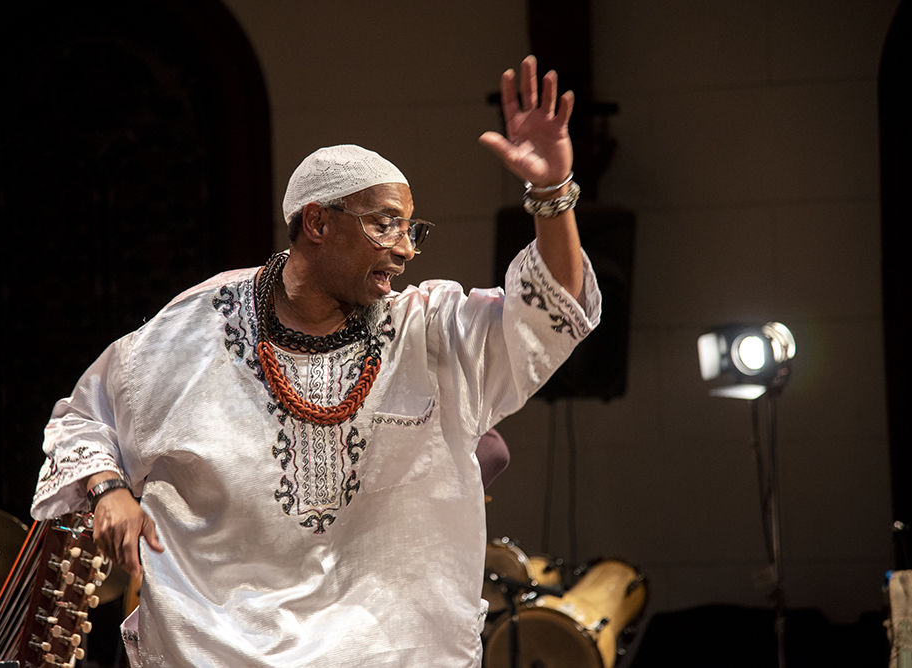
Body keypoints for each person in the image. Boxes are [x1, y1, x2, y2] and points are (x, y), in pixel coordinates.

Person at [31, 55, 600, 668]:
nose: (406, 249)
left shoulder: (429, 331)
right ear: (318, 223)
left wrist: (551, 195)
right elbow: (86, 418)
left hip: (393, 650)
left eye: (413, 229)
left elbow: (549, 313)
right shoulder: (196, 328)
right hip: (218, 646)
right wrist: (109, 486)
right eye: (386, 225)